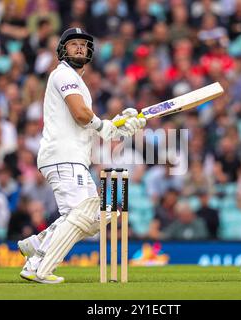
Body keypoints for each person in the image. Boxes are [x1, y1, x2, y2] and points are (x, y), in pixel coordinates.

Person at [16, 28, 146, 284]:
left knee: (100, 215)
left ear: (89, 52)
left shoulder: (76, 81)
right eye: (73, 44)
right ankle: (40, 266)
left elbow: (86, 122)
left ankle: (36, 244)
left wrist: (115, 125)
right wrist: (104, 126)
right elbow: (80, 114)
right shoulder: (63, 74)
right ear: (63, 50)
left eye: (83, 45)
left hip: (73, 159)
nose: (78, 48)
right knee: (82, 214)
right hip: (63, 157)